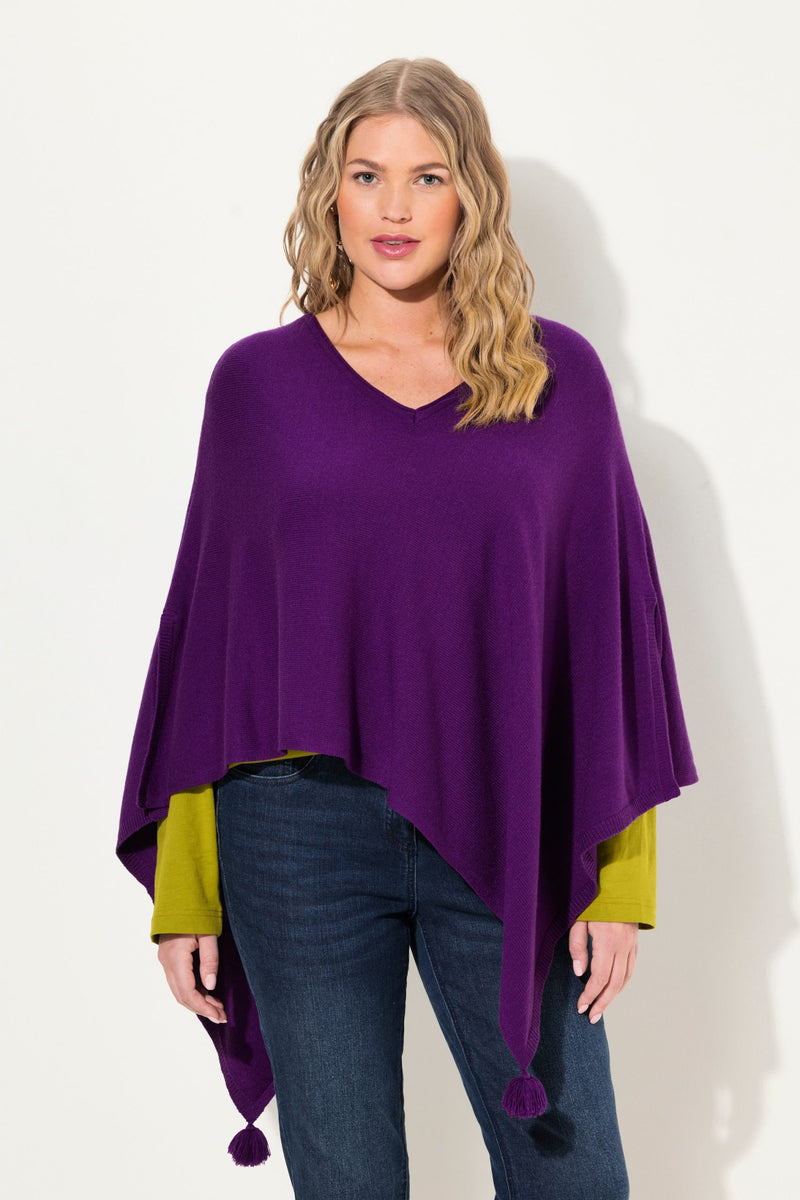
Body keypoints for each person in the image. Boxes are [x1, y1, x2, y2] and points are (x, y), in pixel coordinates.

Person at [117, 57, 697, 1200]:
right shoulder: (256, 387)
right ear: (328, 192)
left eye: (426, 176)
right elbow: (209, 644)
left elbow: (610, 634)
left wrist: (619, 879)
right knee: (346, 1181)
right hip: (293, 831)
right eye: (366, 175)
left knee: (572, 1175)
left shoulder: (555, 379)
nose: (393, 206)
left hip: (508, 813)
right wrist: (186, 894)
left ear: (468, 194)